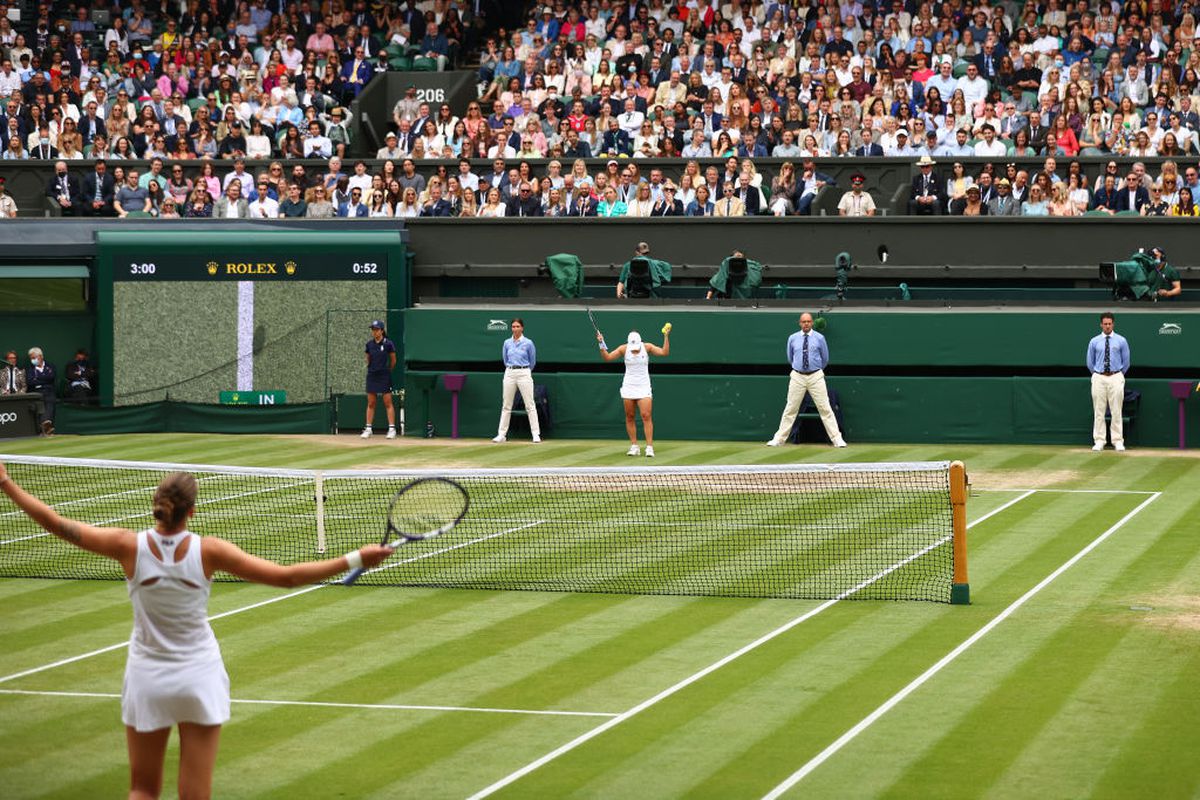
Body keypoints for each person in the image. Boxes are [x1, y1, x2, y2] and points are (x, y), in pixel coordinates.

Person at [0, 462, 393, 800]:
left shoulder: (126, 546)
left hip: (147, 679)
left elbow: (56, 523)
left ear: (157, 505)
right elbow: (286, 578)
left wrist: (5, 483)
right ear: (193, 510)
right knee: (195, 796)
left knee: (141, 790)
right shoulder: (210, 551)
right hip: (198, 679)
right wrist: (357, 557)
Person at [766, 314, 846, 448]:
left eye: (808, 321)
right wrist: (800, 370)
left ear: (812, 323)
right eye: (804, 322)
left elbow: (825, 358)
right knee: (790, 408)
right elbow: (790, 358)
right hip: (797, 376)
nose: (806, 324)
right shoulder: (792, 338)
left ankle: (837, 439)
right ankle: (779, 439)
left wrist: (814, 370)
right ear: (799, 323)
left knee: (825, 408)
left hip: (816, 376)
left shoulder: (820, 338)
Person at [597, 326, 670, 457]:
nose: (635, 350)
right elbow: (607, 358)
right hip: (629, 386)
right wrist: (601, 343)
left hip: (644, 386)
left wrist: (666, 336)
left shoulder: (647, 347)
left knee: (646, 415)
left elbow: (664, 352)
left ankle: (649, 448)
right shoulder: (623, 349)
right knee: (630, 416)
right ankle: (634, 446)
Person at [492, 318, 541, 444]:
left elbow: (533, 361)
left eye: (517, 326)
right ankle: (501, 435)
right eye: (513, 326)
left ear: (522, 328)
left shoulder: (529, 343)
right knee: (506, 405)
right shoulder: (507, 343)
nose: (515, 329)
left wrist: (525, 370)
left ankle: (535, 434)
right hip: (509, 372)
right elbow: (505, 359)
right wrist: (512, 369)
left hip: (524, 372)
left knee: (530, 405)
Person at [1086, 312, 1130, 451]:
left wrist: (1118, 375)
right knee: (1099, 410)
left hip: (1116, 376)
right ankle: (1099, 440)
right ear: (1101, 324)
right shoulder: (1094, 341)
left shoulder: (1121, 340)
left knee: (1116, 410)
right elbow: (1089, 361)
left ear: (1113, 324)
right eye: (1105, 324)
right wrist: (1097, 374)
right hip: (1099, 376)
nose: (1107, 326)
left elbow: (1126, 361)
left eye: (1109, 324)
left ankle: (1117, 441)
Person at [361, 320, 397, 439]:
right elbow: (368, 359)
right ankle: (368, 428)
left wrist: (387, 370)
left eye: (376, 329)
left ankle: (392, 429)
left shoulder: (388, 344)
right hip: (372, 375)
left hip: (384, 376)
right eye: (373, 329)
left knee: (387, 402)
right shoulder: (369, 344)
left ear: (382, 331)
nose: (374, 332)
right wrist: (372, 369)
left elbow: (393, 361)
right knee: (371, 402)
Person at [25, 346, 56, 434]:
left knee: (50, 401)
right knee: (40, 404)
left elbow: (51, 377)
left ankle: (45, 425)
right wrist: (44, 379)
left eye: (35, 357)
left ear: (41, 356)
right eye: (31, 358)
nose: (33, 359)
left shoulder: (50, 366)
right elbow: (30, 382)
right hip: (36, 392)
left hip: (49, 390)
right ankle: (47, 425)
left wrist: (37, 378)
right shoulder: (29, 369)